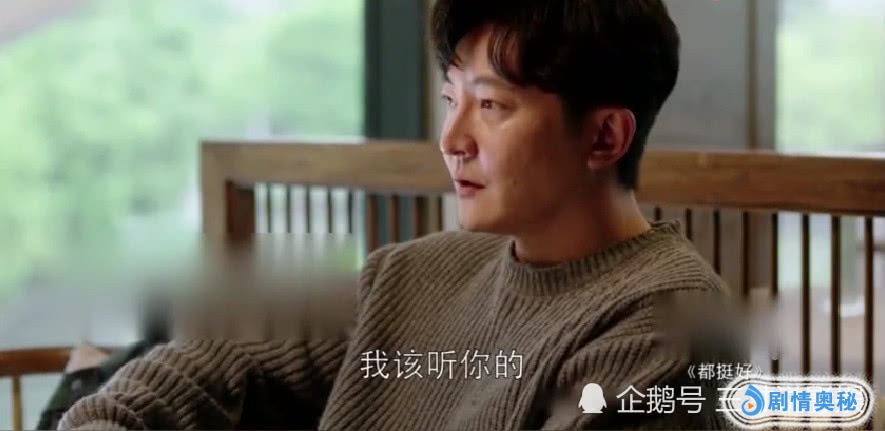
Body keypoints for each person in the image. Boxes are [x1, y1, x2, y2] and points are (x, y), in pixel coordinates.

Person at [59, 0, 744, 429]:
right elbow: (215, 361)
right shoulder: (418, 273)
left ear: (604, 137)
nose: (452, 138)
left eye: (491, 105)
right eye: (451, 100)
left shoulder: (664, 328)